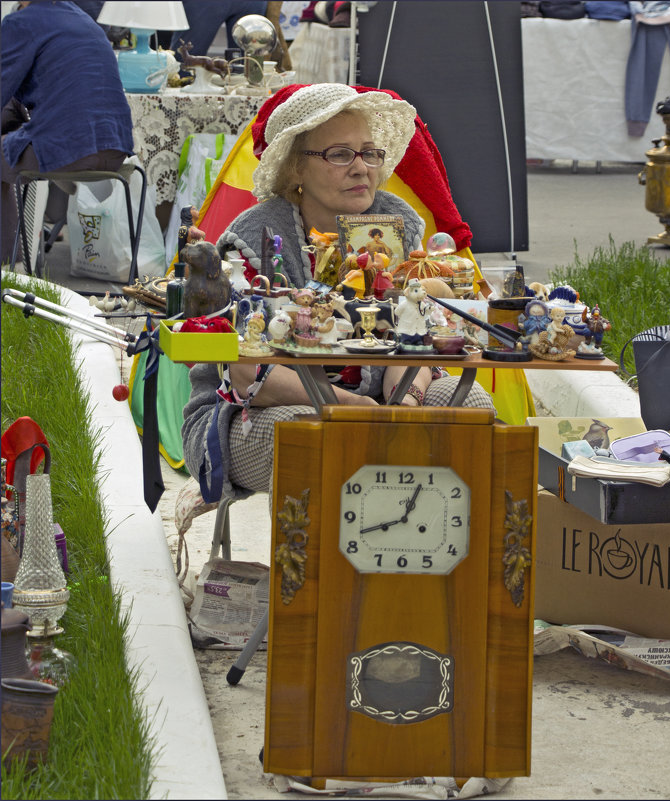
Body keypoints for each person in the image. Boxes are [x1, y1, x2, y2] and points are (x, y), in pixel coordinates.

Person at [181, 83, 495, 499]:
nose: (361, 167)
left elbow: (416, 334)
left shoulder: (396, 222)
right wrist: (355, 409)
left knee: (471, 407)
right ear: (295, 168)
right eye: (340, 154)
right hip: (253, 408)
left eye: (370, 152)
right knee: (315, 438)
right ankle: (316, 562)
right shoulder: (253, 240)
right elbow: (245, 374)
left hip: (387, 395)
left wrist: (404, 402)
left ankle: (424, 554)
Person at [1, 0, 133, 264]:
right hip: (116, 149)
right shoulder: (85, 21)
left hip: (70, 148)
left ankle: (7, 269)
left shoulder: (21, 22)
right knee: (18, 127)